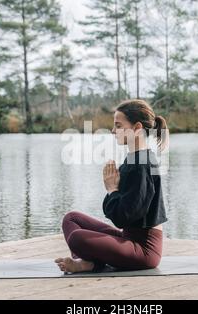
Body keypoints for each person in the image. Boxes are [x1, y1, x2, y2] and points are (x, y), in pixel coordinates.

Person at [55, 99, 169, 273]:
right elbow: (124, 216)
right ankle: (86, 262)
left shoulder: (142, 165)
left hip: (144, 251)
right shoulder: (134, 158)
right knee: (71, 219)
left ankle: (90, 263)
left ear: (137, 127)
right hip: (128, 238)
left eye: (118, 125)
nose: (113, 131)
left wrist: (111, 189)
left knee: (77, 237)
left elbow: (123, 218)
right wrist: (113, 190)